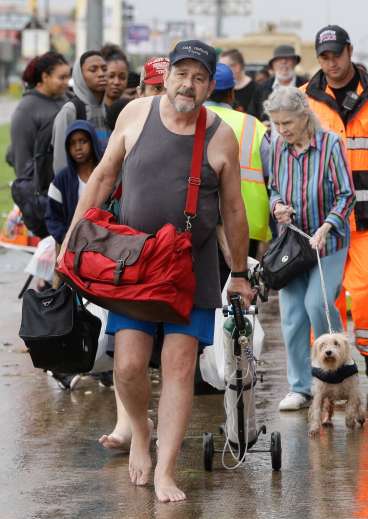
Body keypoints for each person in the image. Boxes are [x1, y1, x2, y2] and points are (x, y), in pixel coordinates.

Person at [57, 39, 252, 502]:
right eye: (182, 74)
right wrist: (73, 237)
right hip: (134, 264)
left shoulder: (220, 134)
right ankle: (140, 436)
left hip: (192, 266)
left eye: (199, 77)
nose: (189, 84)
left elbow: (233, 209)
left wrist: (240, 272)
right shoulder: (135, 114)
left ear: (208, 85)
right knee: (126, 366)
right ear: (167, 76)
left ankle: (166, 468)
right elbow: (103, 177)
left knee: (180, 367)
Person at [302, 25, 368, 383]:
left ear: (349, 51)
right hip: (324, 221)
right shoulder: (304, 99)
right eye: (324, 57)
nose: (331, 63)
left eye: (336, 54)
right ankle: (329, 365)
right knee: (325, 298)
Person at [266, 86, 355, 411]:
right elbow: (273, 186)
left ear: (304, 115)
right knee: (291, 316)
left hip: (327, 241)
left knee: (317, 303)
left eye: (287, 122)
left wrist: (328, 225)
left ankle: (340, 374)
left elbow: (347, 194)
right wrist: (277, 206)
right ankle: (301, 387)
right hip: (293, 241)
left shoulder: (330, 143)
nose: (283, 130)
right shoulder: (277, 146)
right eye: (277, 124)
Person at [99, 55, 169, 452]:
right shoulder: (128, 124)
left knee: (171, 354)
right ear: (140, 91)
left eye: (163, 89)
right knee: (123, 351)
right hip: (127, 254)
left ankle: (149, 422)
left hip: (172, 257)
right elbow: (104, 180)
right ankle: (128, 423)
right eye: (152, 89)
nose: (158, 98)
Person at [45, 120, 103, 390]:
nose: (79, 148)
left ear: (92, 142)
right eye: (73, 144)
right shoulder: (62, 180)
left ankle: (100, 362)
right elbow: (52, 217)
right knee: (68, 307)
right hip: (70, 254)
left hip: (102, 252)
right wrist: (66, 240)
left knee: (99, 309)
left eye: (83, 141)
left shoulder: (105, 173)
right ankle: (60, 364)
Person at [205, 62, 271, 284]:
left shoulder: (189, 120)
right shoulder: (253, 125)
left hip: (200, 217)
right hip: (247, 219)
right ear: (232, 93)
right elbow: (272, 171)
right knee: (241, 289)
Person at [9, 52, 70, 236]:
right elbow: (23, 165)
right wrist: (38, 202)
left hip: (70, 190)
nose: (67, 82)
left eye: (69, 76)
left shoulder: (67, 99)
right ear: (45, 77)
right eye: (62, 77)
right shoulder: (26, 109)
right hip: (45, 199)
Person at [52, 50, 110, 174]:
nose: (101, 74)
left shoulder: (108, 110)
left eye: (104, 69)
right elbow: (60, 163)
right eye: (93, 70)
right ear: (80, 76)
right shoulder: (70, 111)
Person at [249, 45, 307, 122]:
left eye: (288, 59)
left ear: (295, 62)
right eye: (279, 60)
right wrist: (261, 125)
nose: (283, 62)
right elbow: (252, 116)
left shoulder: (307, 86)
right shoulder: (262, 88)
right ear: (273, 65)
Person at [219, 48, 256, 113]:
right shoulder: (220, 88)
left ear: (237, 67)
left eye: (223, 67)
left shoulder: (256, 89)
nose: (220, 71)